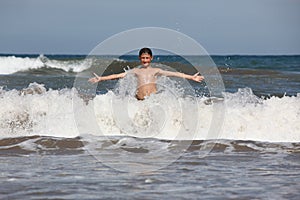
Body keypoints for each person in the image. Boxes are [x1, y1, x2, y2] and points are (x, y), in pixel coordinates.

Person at [88, 47, 204, 100]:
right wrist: (101, 78)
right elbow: (117, 75)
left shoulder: (156, 71)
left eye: (147, 58)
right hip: (139, 100)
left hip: (153, 101)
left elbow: (174, 74)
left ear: (151, 58)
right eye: (143, 58)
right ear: (139, 58)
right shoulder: (136, 71)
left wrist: (191, 77)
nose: (145, 60)